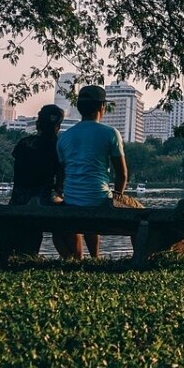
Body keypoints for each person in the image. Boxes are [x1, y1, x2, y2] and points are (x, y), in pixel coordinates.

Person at [56, 84, 142, 258]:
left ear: (79, 108)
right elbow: (122, 174)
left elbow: (63, 174)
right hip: (100, 200)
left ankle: (93, 258)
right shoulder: (110, 133)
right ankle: (139, 257)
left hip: (72, 200)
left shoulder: (64, 137)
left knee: (89, 202)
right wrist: (118, 195)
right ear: (102, 107)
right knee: (141, 215)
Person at [8, 104, 78, 258]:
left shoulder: (24, 143)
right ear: (58, 126)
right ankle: (73, 257)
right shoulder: (59, 146)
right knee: (71, 213)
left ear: (38, 123)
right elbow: (61, 178)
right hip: (44, 200)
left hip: (18, 199)